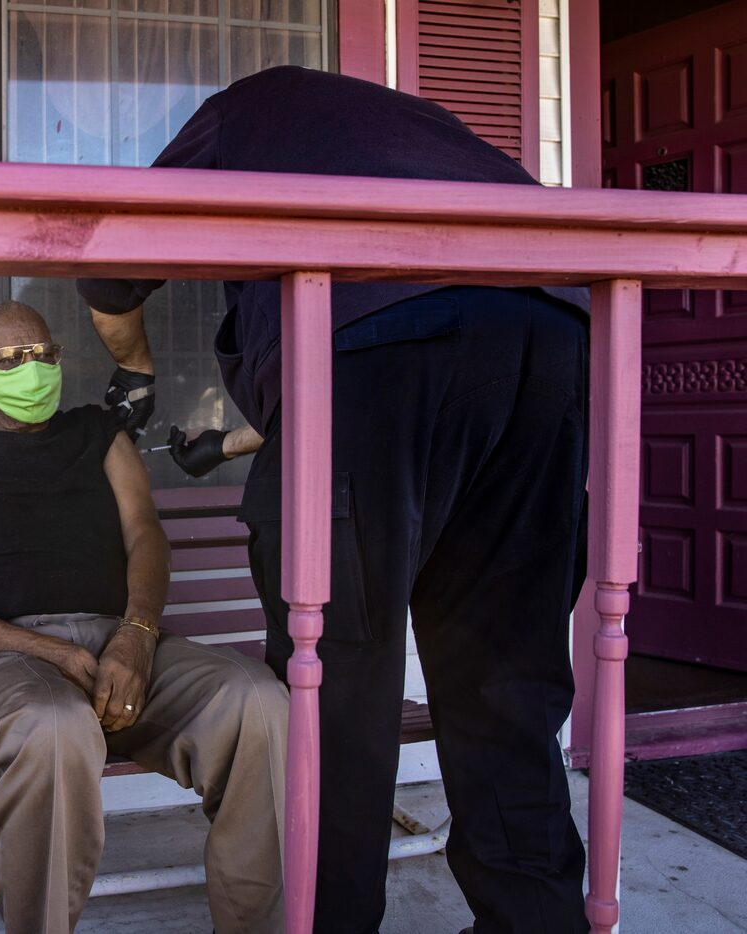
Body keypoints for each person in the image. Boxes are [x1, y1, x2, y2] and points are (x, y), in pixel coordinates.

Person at [78, 65, 592, 934]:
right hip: (552, 332)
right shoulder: (430, 134)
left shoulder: (247, 108)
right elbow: (432, 347)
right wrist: (236, 440)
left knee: (333, 699)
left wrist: (134, 366)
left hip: (375, 346)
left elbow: (115, 265)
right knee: (505, 681)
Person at [0, 301, 290, 934]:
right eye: (12, 359)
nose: (32, 368)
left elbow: (144, 535)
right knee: (51, 725)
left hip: (120, 643)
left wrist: (137, 636)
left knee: (259, 703)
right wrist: (56, 655)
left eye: (43, 355)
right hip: (5, 659)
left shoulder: (100, 434)